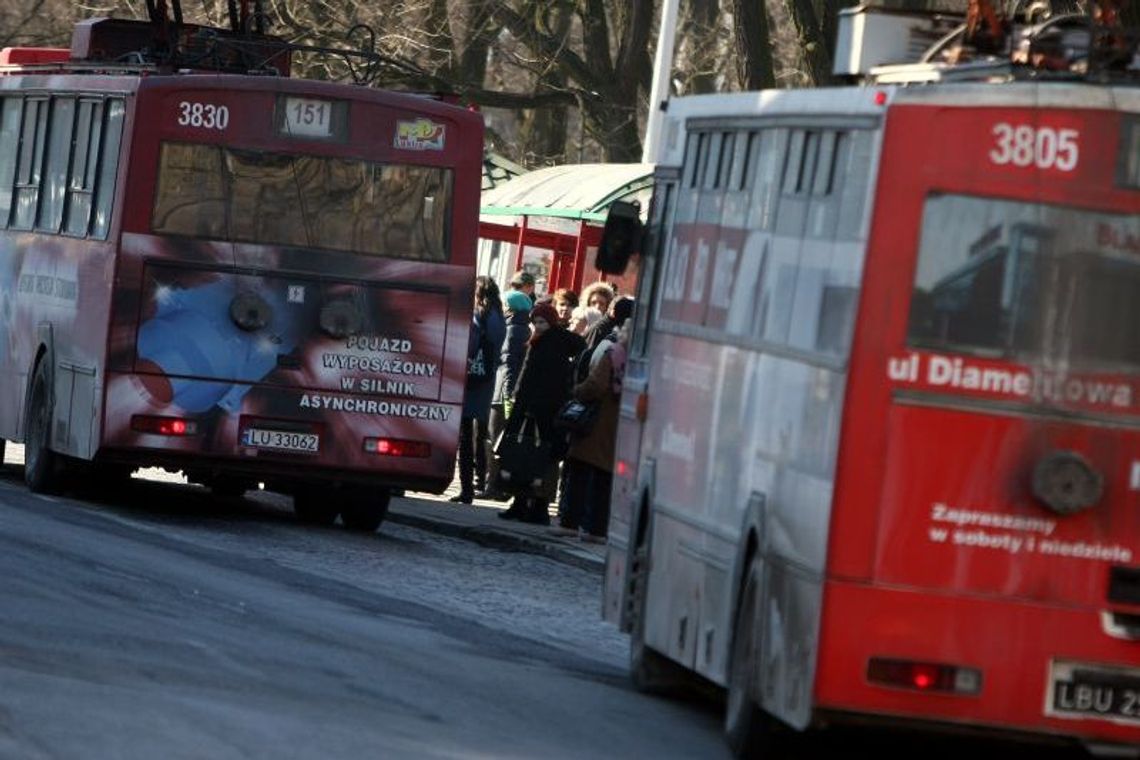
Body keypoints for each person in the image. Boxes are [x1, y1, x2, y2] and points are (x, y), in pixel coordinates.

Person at [496, 301, 581, 524]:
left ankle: (535, 506)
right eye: (535, 322)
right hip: (534, 408)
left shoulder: (552, 342)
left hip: (542, 410)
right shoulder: (544, 340)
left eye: (542, 322)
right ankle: (522, 503)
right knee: (527, 455)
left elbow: (541, 379)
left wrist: (526, 403)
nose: (538, 326)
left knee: (539, 456)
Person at [556, 318, 630, 542]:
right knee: (604, 481)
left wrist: (577, 390)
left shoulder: (613, 354)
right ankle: (598, 530)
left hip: (596, 424)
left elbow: (595, 386)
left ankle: (570, 523)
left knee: (578, 474)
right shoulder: (640, 359)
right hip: (618, 427)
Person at [450, 276, 506, 504]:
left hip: (471, 378)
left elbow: (469, 347)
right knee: (481, 432)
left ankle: (466, 489)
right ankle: (480, 479)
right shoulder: (500, 318)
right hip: (487, 379)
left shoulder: (477, 316)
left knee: (465, 435)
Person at [478, 285, 532, 500]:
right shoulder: (523, 327)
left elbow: (508, 363)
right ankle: (499, 486)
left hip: (501, 394)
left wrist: (507, 394)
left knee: (494, 440)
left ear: (510, 307)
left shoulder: (513, 329)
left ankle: (494, 486)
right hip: (505, 392)